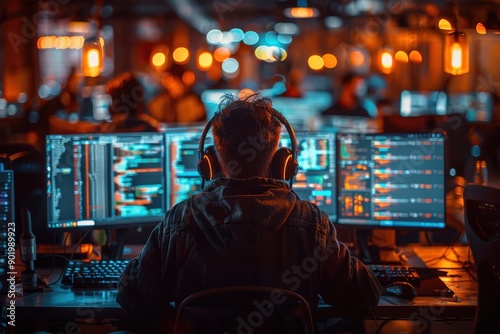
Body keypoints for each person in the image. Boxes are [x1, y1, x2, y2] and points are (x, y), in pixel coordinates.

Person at [116, 93, 381, 331]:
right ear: (283, 164)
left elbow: (132, 297)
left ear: (209, 164)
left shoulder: (179, 220)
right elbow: (364, 297)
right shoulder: (311, 223)